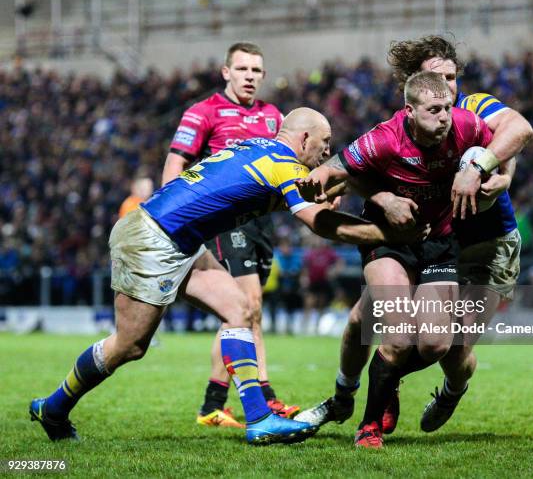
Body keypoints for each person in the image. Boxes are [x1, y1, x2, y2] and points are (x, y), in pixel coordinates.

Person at [29, 108, 406, 446]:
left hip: (182, 239)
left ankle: (259, 419)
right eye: (324, 144)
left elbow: (293, 190)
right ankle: (54, 407)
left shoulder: (260, 148)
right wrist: (389, 235)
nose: (326, 153)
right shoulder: (283, 164)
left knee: (239, 309)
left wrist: (336, 188)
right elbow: (321, 225)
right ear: (304, 138)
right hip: (153, 238)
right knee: (130, 345)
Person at [295, 35, 533, 446]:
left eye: (452, 77)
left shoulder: (472, 111)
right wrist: (373, 195)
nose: (447, 86)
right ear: (412, 85)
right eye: (435, 78)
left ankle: (444, 390)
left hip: (486, 244)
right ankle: (348, 395)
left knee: (450, 350)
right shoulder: (396, 129)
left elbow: (518, 129)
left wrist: (484, 165)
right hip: (420, 239)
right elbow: (351, 167)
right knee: (363, 322)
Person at [164, 42, 298, 426]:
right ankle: (266, 397)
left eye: (256, 71)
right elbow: (176, 162)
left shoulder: (274, 117)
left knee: (237, 314)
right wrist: (172, 215)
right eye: (242, 69)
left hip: (260, 222)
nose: (250, 77)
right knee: (250, 304)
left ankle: (212, 404)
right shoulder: (203, 112)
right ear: (226, 72)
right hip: (224, 220)